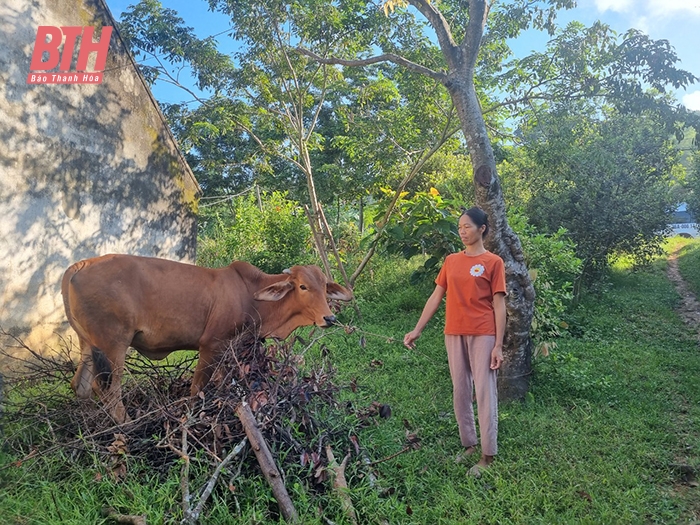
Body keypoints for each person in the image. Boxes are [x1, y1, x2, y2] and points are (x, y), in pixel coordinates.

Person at [403, 206, 507, 477]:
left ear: (482, 228)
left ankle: (488, 455)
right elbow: (436, 297)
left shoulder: (493, 262)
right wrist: (417, 330)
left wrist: (498, 344)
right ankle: (469, 445)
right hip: (454, 332)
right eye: (460, 227)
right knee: (460, 390)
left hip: (483, 333)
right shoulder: (450, 261)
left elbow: (499, 305)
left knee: (484, 392)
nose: (462, 231)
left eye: (468, 227)